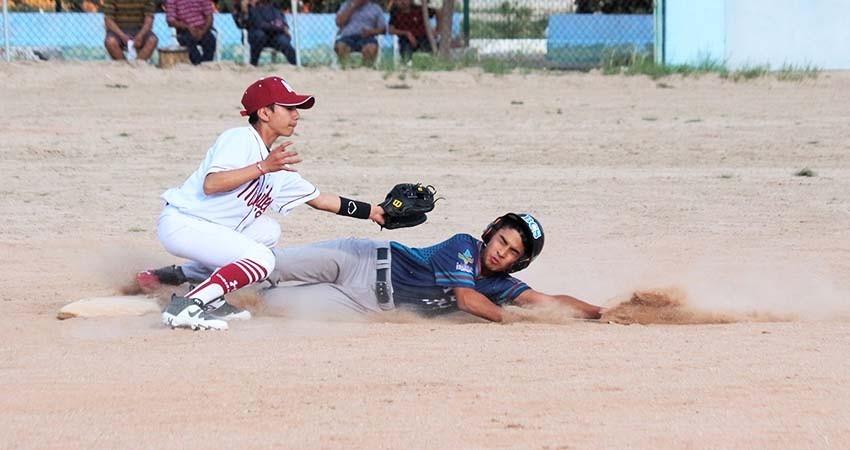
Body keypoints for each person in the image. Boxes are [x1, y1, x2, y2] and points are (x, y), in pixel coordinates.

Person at [140, 76, 386, 330]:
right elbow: (211, 184)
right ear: (265, 112)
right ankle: (189, 304)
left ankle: (209, 297)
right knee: (261, 259)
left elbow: (321, 200)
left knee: (268, 231)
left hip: (208, 228)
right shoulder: (240, 139)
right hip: (183, 223)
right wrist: (263, 167)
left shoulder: (275, 166)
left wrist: (374, 212)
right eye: (289, 108)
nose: (296, 115)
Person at [261, 213, 603, 323]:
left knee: (267, 306)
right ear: (491, 233)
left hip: (363, 304)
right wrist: (513, 319)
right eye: (502, 240)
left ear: (520, 261)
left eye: (513, 252)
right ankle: (208, 271)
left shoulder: (500, 286)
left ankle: (218, 301)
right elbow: (467, 300)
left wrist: (602, 313)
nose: (501, 253)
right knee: (270, 266)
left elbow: (547, 300)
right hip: (361, 259)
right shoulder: (465, 246)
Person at [334, 0, 387, 67]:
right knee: (341, 46)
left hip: (367, 37)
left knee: (371, 48)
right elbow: (338, 22)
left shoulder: (375, 8)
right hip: (347, 37)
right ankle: (346, 69)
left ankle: (365, 69)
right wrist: (353, 6)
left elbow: (383, 29)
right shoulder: (346, 5)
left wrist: (371, 32)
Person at [247, 0, 296, 66]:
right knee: (259, 35)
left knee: (283, 41)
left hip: (274, 36)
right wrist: (278, 27)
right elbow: (260, 24)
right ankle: (253, 64)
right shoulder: (252, 7)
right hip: (259, 35)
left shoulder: (275, 7)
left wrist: (282, 27)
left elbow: (283, 23)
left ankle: (296, 64)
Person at [166, 0, 216, 65]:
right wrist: (188, 28)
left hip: (202, 28)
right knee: (187, 41)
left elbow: (209, 17)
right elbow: (170, 21)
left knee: (210, 40)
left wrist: (202, 32)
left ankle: (206, 64)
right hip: (184, 30)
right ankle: (198, 64)